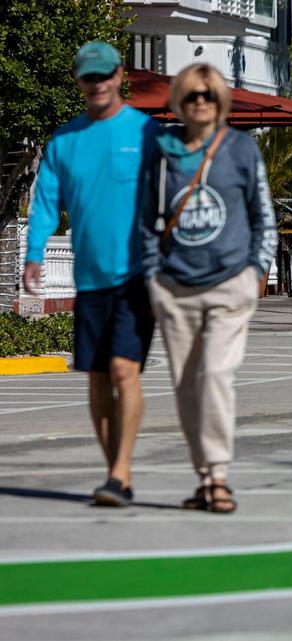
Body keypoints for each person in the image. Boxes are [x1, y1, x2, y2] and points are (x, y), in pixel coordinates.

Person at [24, 41, 159, 507]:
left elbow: (172, 196)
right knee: (98, 377)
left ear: (120, 76)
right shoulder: (64, 141)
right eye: (89, 77)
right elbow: (44, 202)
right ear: (80, 82)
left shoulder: (146, 134)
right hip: (91, 280)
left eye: (105, 75)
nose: (98, 84)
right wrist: (34, 254)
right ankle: (114, 472)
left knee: (124, 370)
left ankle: (120, 473)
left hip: (137, 275)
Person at [141, 63, 277, 514]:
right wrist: (152, 277)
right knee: (185, 387)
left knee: (215, 375)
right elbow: (144, 218)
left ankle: (218, 475)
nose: (201, 102)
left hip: (228, 285)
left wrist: (255, 270)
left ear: (220, 101)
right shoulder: (162, 150)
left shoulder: (241, 148)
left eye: (209, 95)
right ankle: (204, 477)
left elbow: (263, 216)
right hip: (175, 286)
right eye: (193, 95)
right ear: (180, 100)